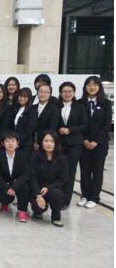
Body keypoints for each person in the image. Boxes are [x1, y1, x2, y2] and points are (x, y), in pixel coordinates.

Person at [77, 76, 112, 209]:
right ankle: (84, 195)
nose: (92, 87)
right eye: (89, 85)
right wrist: (84, 140)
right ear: (85, 87)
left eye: (95, 85)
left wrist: (96, 141)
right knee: (84, 170)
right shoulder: (80, 103)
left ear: (99, 87)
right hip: (83, 143)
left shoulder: (106, 103)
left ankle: (94, 197)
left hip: (100, 144)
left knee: (97, 171)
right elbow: (78, 123)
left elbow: (107, 125)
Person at [57, 81, 87, 210]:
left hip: (74, 144)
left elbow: (84, 125)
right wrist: (59, 129)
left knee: (70, 172)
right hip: (58, 143)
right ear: (60, 93)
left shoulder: (80, 107)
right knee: (57, 171)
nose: (67, 93)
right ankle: (56, 197)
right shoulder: (56, 105)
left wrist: (70, 130)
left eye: (69, 91)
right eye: (64, 91)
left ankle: (65, 201)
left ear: (74, 92)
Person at [29, 131, 68, 227]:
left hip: (53, 188)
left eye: (52, 141)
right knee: (38, 208)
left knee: (57, 194)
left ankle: (56, 217)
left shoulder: (62, 158)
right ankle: (37, 211)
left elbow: (63, 179)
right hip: (37, 189)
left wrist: (48, 188)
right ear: (41, 143)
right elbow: (32, 177)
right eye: (46, 141)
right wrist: (38, 195)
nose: (49, 144)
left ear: (56, 143)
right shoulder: (34, 156)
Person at [0, 131, 31, 222]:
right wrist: (6, 188)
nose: (10, 143)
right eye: (7, 141)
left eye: (13, 141)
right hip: (5, 183)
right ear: (3, 143)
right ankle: (4, 203)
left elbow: (26, 174)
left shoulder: (23, 156)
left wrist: (14, 187)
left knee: (25, 186)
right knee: (3, 193)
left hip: (17, 182)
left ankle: (22, 211)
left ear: (17, 143)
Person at [31, 83, 59, 151]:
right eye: (41, 92)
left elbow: (52, 128)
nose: (43, 94)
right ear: (37, 93)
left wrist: (40, 143)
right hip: (31, 144)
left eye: (46, 92)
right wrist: (33, 142)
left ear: (50, 94)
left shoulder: (54, 109)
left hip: (46, 144)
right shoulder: (32, 108)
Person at [9, 88, 36, 152]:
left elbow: (29, 130)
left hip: (25, 144)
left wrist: (18, 141)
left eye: (25, 97)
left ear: (29, 98)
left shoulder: (32, 110)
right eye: (20, 96)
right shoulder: (14, 108)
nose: (22, 99)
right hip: (12, 142)